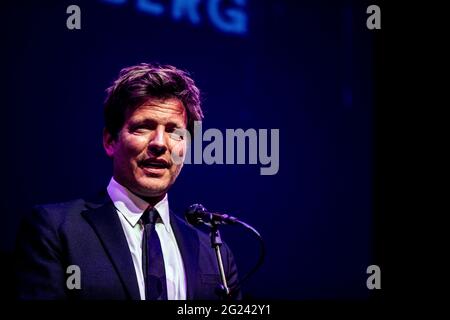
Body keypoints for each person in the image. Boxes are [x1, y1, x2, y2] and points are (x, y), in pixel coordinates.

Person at [15, 63, 241, 300]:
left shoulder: (215, 254)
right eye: (144, 127)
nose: (160, 143)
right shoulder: (55, 230)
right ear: (110, 141)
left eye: (175, 132)